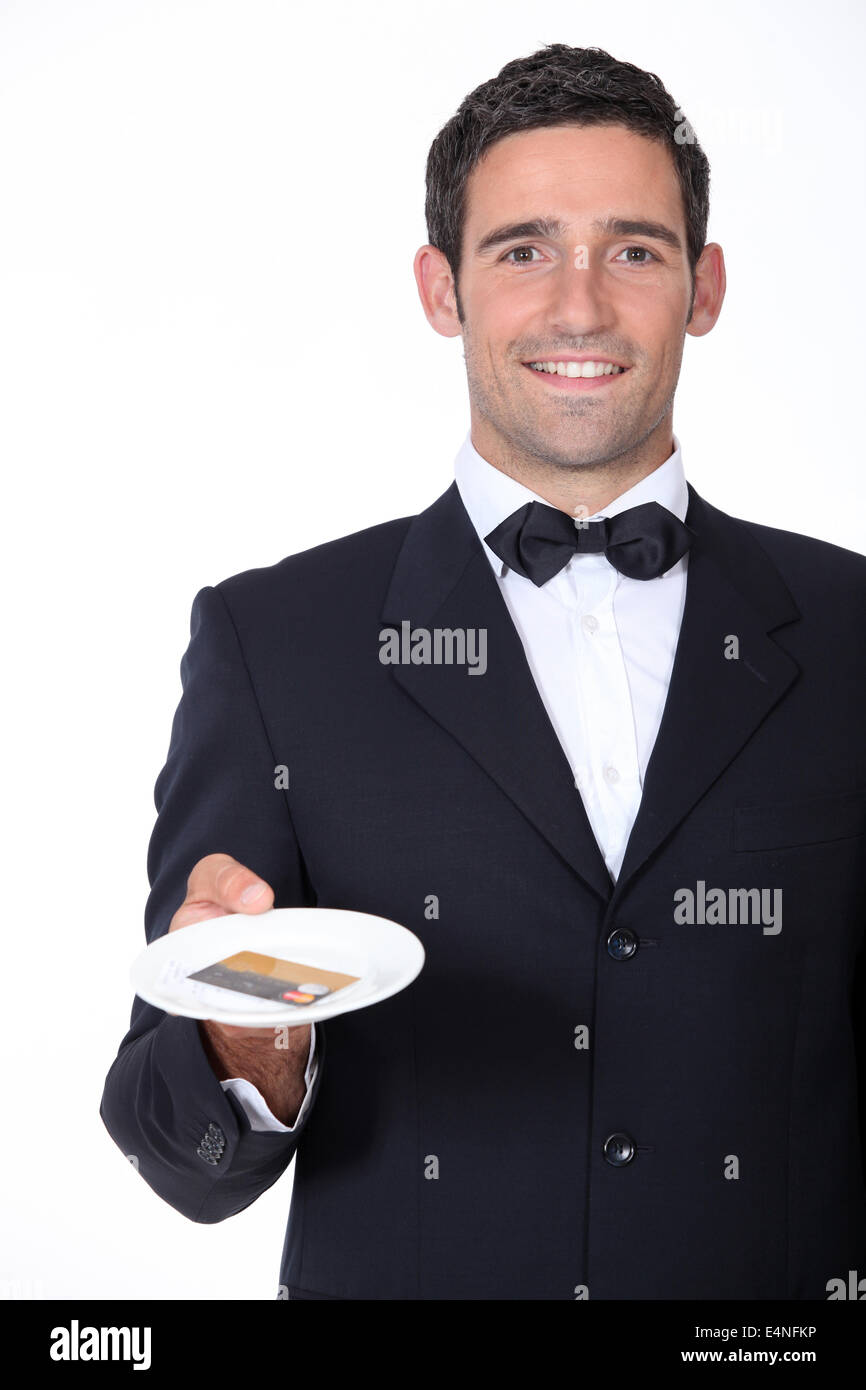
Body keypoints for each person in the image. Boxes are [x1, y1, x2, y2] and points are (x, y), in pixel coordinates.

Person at [100, 42, 866, 1300]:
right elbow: (179, 1157)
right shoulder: (272, 641)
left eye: (633, 250)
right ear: (440, 288)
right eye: (522, 251)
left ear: (704, 285)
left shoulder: (847, 631)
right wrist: (246, 1044)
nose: (579, 307)